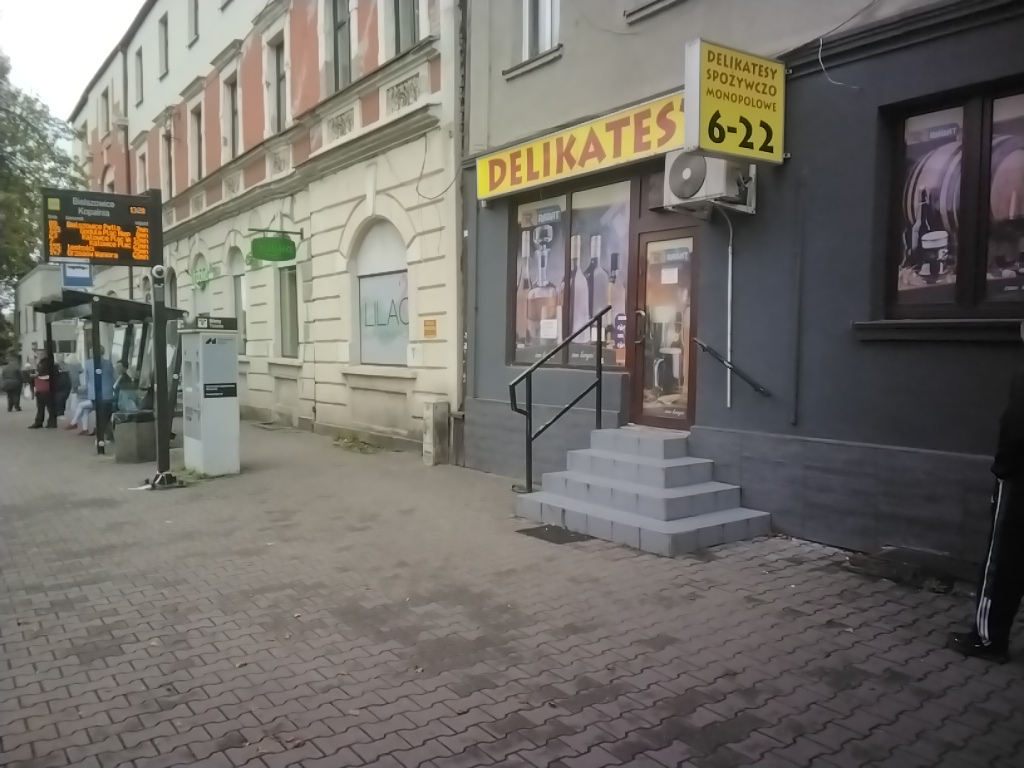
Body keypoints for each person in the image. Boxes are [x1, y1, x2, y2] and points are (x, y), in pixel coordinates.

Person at [949, 321, 1024, 663]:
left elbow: (1015, 428)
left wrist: (1003, 470)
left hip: (1019, 480)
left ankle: (987, 638)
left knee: (1003, 558)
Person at [29, 348, 57, 429]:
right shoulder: (40, 363)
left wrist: (37, 376)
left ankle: (50, 422)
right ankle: (41, 422)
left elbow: (48, 376)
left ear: (45, 354)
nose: (40, 355)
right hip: (41, 387)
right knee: (41, 406)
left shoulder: (47, 363)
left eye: (41, 353)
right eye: (38, 354)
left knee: (48, 406)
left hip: (46, 388)